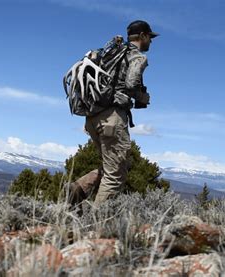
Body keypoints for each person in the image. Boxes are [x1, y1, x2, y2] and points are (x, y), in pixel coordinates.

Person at [68, 20, 159, 206]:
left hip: (93, 117)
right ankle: (97, 225)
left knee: (110, 167)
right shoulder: (137, 57)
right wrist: (142, 97)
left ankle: (77, 189)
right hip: (112, 118)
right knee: (115, 175)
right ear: (142, 36)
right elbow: (131, 83)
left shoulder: (111, 54)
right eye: (150, 37)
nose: (151, 41)